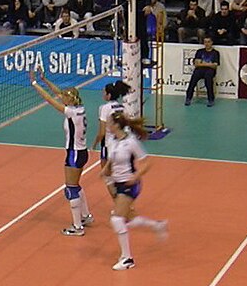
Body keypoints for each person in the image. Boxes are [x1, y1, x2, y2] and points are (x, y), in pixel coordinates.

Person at [30, 69, 92, 237]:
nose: (61, 97)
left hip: (74, 154)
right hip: (82, 152)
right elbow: (58, 93)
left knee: (70, 189)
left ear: (69, 99)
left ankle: (77, 227)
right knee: (76, 186)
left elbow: (50, 99)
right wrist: (45, 79)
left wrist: (35, 84)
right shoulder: (80, 107)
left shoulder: (71, 112)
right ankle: (86, 216)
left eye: (64, 97)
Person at [103, 112, 167, 270]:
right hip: (118, 182)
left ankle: (127, 259)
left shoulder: (131, 141)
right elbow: (112, 158)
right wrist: (105, 170)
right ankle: (157, 225)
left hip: (130, 184)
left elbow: (146, 162)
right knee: (129, 218)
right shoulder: (111, 140)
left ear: (116, 125)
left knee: (116, 219)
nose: (107, 125)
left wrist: (135, 176)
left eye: (109, 122)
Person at [91, 81, 130, 199]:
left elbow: (102, 133)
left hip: (109, 146)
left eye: (104, 92)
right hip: (124, 145)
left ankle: (120, 206)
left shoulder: (104, 108)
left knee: (108, 177)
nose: (102, 94)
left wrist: (94, 144)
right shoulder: (123, 107)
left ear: (108, 95)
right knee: (120, 176)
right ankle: (125, 204)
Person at [184, 36, 219, 107]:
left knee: (208, 80)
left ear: (211, 43)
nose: (207, 44)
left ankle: (211, 99)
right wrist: (209, 64)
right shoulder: (200, 51)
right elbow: (197, 64)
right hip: (200, 70)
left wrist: (202, 63)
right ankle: (188, 98)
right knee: (193, 80)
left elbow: (215, 65)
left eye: (208, 42)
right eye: (205, 42)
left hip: (210, 70)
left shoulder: (215, 53)